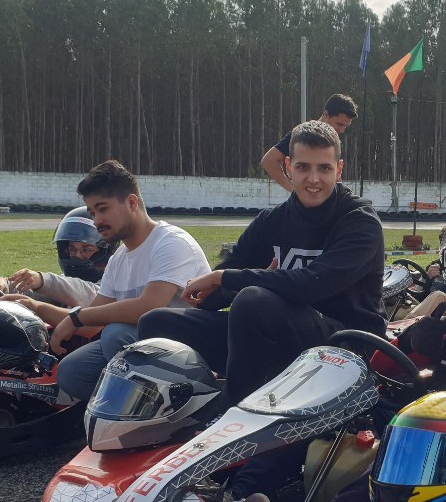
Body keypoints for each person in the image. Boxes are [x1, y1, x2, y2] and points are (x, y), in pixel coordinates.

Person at [233, 210, 446, 502]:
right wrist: (409, 341)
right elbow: (378, 369)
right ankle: (239, 494)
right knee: (320, 415)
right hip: (423, 426)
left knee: (407, 449)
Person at [138, 119, 385, 407]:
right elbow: (223, 284)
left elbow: (312, 285)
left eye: (324, 168)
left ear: (339, 170)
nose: (313, 179)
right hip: (274, 336)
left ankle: (235, 416)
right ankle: (187, 409)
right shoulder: (273, 220)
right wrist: (210, 292)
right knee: (156, 322)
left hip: (343, 345)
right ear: (289, 166)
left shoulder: (360, 222)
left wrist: (231, 279)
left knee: (253, 301)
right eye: (303, 167)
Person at [7, 161, 210, 403]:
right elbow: (91, 321)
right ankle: (123, 413)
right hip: (146, 348)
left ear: (132, 203)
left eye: (103, 209)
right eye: (92, 212)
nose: (96, 221)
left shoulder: (171, 242)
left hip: (193, 352)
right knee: (72, 372)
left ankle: (181, 406)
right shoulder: (119, 259)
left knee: (116, 333)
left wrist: (76, 318)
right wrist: (34, 307)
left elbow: (149, 308)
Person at [0, 207, 117, 308]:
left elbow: (86, 293)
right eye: (72, 249)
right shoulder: (63, 285)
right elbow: (38, 292)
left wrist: (42, 280)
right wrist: (5, 284)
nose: (77, 256)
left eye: (86, 250)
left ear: (105, 252)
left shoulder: (110, 288)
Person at [259, 94, 358, 194]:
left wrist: (342, 198)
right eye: (339, 124)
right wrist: (293, 190)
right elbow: (268, 161)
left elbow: (335, 177)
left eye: (345, 126)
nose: (342, 130)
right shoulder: (302, 136)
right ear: (325, 114)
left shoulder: (334, 140)